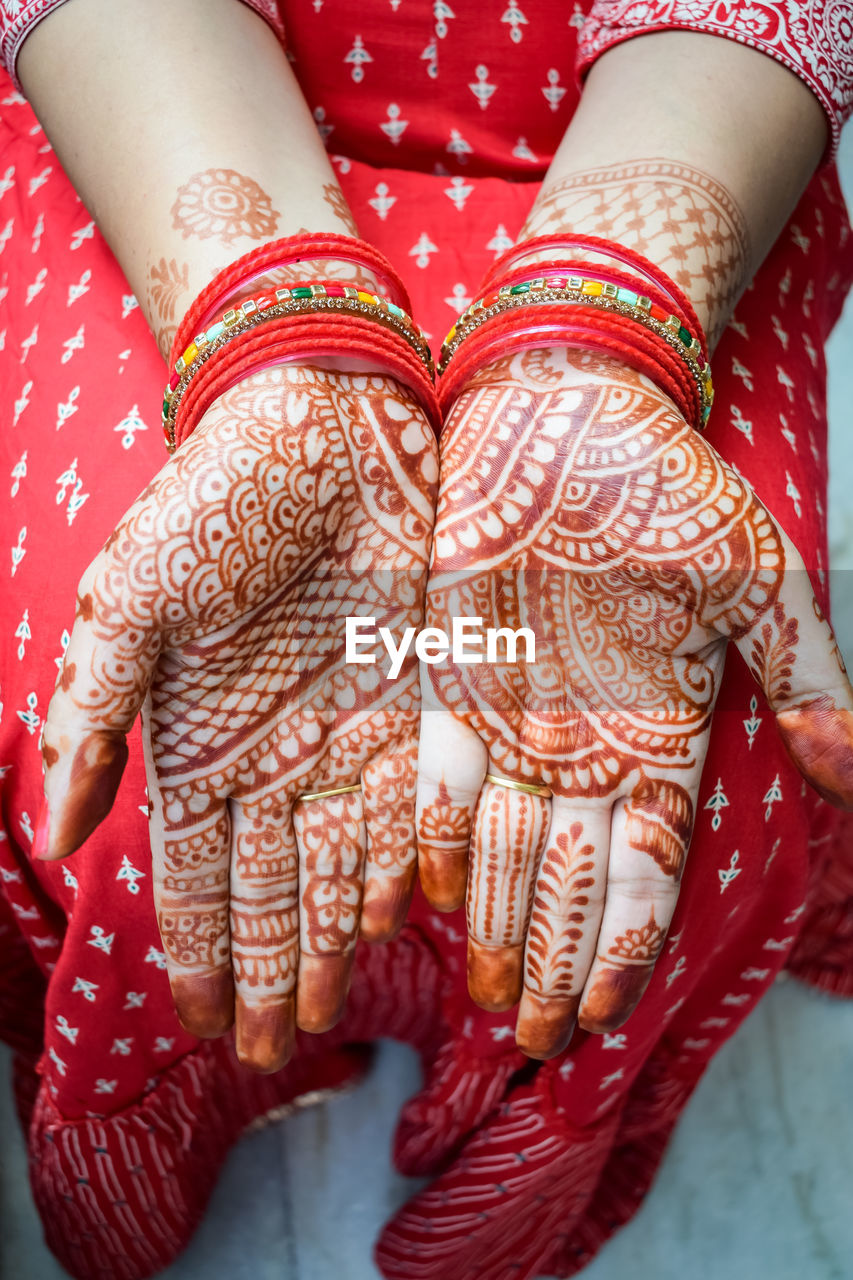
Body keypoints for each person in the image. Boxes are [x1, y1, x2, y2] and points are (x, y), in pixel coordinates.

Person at [1, 1, 852, 1276]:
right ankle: (178, 1096)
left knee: (710, 780)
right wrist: (274, 334)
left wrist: (598, 338)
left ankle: (516, 1142)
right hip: (155, 105)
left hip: (677, 130)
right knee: (126, 756)